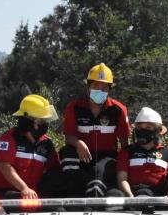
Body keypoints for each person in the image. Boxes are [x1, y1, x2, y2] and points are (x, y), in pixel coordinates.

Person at [54, 63, 131, 197]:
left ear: (109, 89)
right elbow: (69, 136)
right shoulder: (74, 107)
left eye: (104, 88)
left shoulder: (118, 110)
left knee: (98, 172)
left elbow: (125, 143)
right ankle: (73, 194)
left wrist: (124, 170)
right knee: (66, 152)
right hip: (82, 155)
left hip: (107, 157)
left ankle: (93, 204)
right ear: (88, 87)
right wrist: (79, 143)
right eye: (95, 86)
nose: (99, 90)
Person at [0, 94, 59, 199]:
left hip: (33, 196)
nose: (44, 124)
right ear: (28, 119)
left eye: (44, 121)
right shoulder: (10, 138)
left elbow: (55, 169)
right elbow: (5, 167)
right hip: (6, 194)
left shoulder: (46, 143)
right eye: (40, 120)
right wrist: (24, 189)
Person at [108, 107, 168, 197]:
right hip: (131, 193)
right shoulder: (127, 151)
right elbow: (122, 179)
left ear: (158, 131)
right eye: (139, 127)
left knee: (144, 193)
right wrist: (131, 198)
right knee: (113, 194)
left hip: (156, 195)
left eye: (148, 127)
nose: (142, 130)